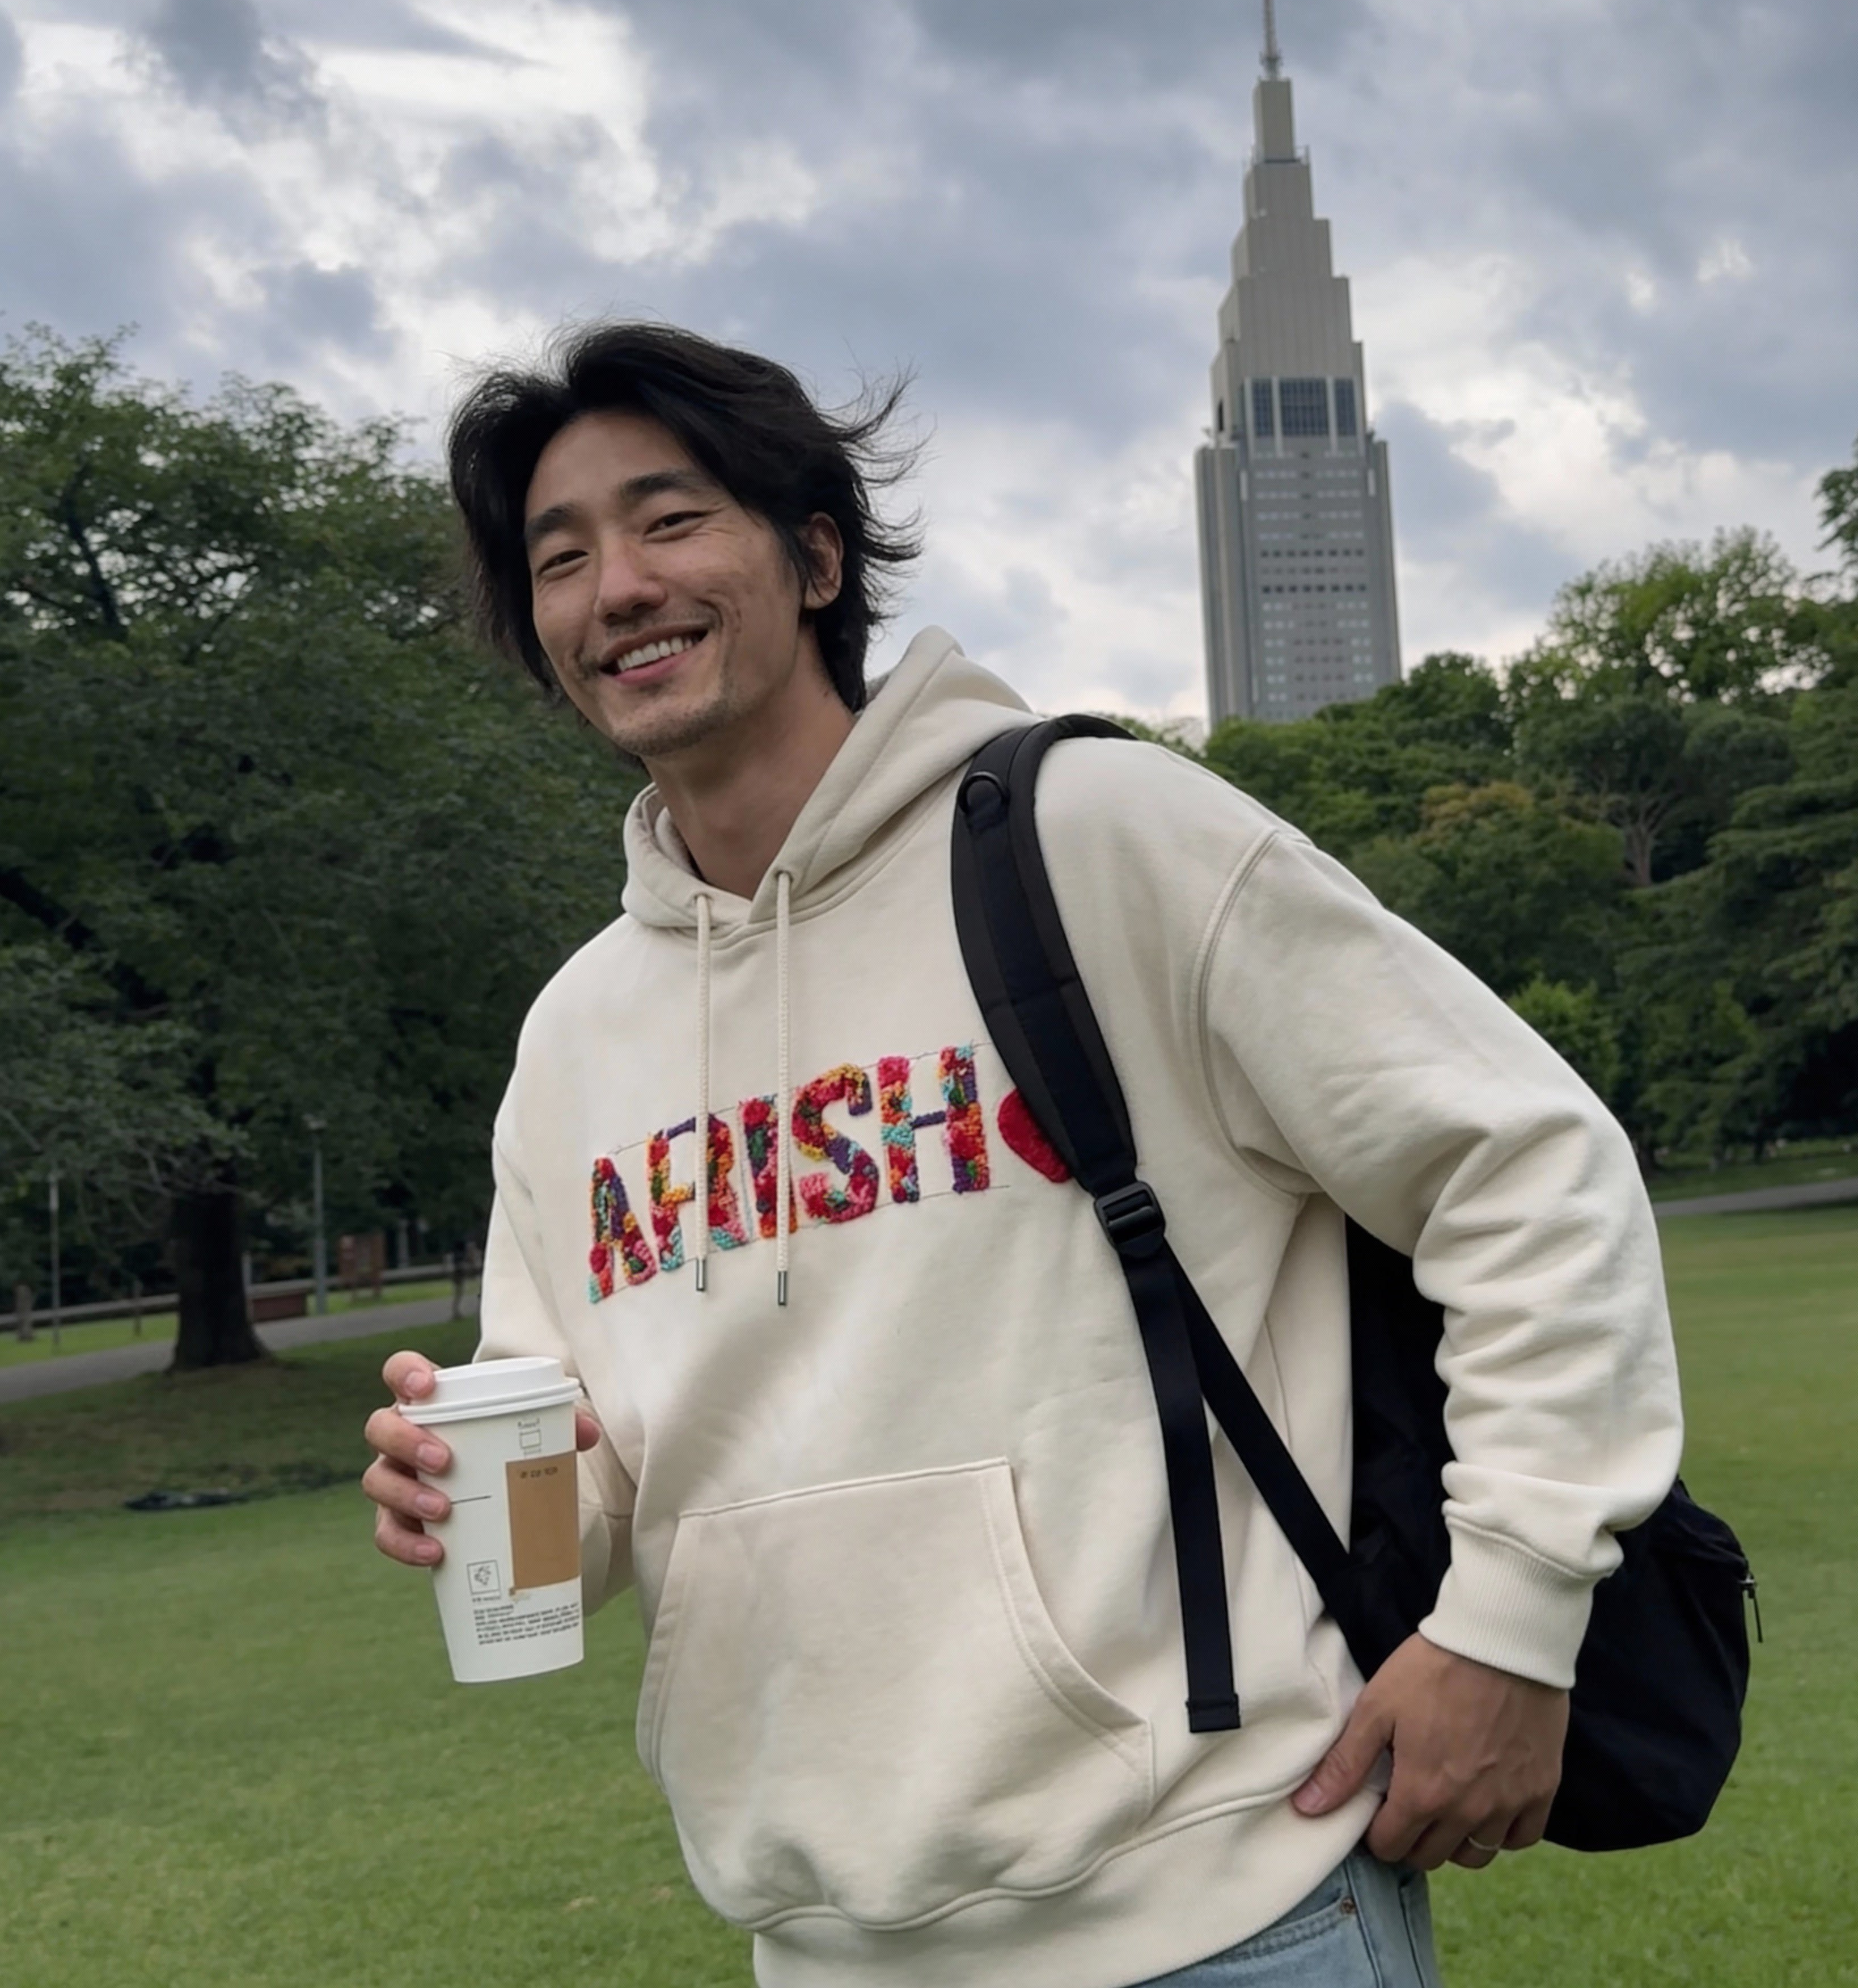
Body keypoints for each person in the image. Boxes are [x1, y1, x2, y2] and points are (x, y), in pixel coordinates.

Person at [363, 323, 1682, 1988]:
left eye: (671, 520)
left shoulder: (1098, 840)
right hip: (823, 1943)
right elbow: (602, 1481)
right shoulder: (576, 1037)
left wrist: (1510, 1623)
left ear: (817, 553)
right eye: (560, 559)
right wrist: (494, 1484)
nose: (617, 587)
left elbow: (1528, 1166)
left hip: (1221, 1919)